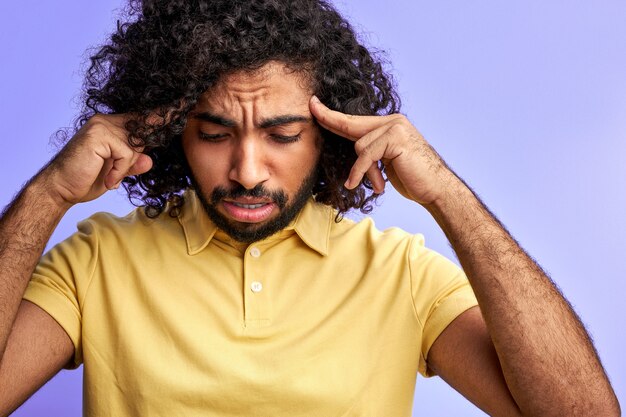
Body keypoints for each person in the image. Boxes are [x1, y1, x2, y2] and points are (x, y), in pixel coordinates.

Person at [0, 0, 620, 416]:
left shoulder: (399, 273)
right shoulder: (97, 261)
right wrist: (48, 193)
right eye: (214, 134)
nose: (246, 171)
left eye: (283, 135)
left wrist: (446, 194)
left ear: (328, 134)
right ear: (168, 136)